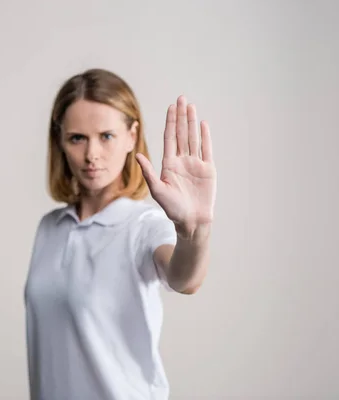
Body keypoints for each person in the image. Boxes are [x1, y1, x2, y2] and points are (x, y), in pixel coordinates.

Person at [24, 68, 217, 400]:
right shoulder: (50, 228)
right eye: (77, 138)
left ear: (132, 135)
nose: (92, 155)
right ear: (60, 140)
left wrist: (193, 231)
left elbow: (184, 278)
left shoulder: (142, 225)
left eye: (107, 136)